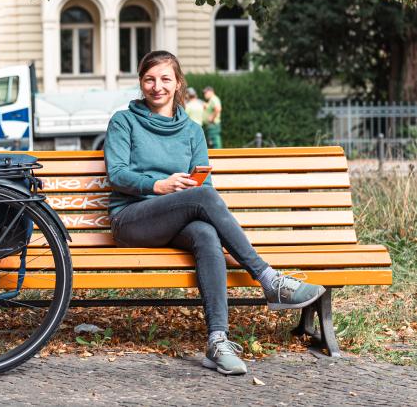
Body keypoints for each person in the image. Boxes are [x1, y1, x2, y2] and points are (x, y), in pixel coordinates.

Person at [104, 50, 325, 375]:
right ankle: (268, 278)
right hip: (132, 218)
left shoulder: (192, 131)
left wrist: (195, 204)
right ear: (141, 83)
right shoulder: (124, 121)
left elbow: (204, 185)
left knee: (206, 234)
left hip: (176, 219)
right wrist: (158, 186)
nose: (157, 86)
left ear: (178, 83)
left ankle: (218, 342)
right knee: (203, 198)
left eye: (165, 79)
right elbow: (117, 174)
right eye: (149, 79)